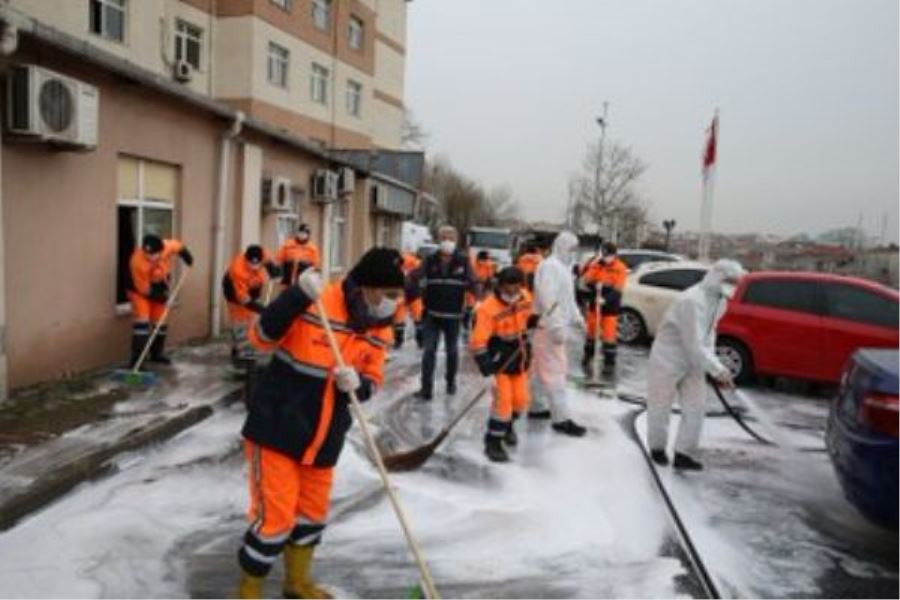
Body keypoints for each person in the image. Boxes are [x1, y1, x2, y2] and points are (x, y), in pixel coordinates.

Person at [236, 248, 405, 599]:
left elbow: (374, 376)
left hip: (325, 438)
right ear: (367, 287)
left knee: (311, 515)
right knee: (275, 521)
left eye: (398, 295)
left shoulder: (380, 326)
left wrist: (359, 383)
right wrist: (295, 296)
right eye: (389, 294)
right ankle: (248, 591)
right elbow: (260, 337)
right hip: (277, 429)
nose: (394, 302)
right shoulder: (317, 301)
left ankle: (297, 583)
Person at [645, 259, 745, 471]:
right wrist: (717, 370)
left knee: (696, 407)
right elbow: (693, 342)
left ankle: (683, 454)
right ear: (717, 276)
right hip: (668, 357)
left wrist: (714, 366)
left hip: (696, 360)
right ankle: (657, 448)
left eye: (736, 282)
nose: (732, 286)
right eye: (729, 280)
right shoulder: (692, 301)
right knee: (660, 405)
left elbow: (709, 335)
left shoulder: (720, 301)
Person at [471, 267, 536, 462]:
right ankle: (492, 442)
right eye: (509, 290)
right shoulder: (487, 309)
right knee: (503, 403)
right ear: (500, 286)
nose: (513, 294)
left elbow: (527, 316)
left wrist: (534, 322)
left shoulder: (525, 297)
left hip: (520, 358)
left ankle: (507, 426)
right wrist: (486, 370)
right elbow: (478, 342)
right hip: (498, 362)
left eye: (516, 289)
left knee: (521, 401)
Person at [529, 231, 589, 436]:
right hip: (549, 328)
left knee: (539, 369)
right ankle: (561, 418)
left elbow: (568, 299)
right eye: (571, 248)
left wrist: (578, 319)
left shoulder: (563, 269)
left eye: (575, 249)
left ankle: (536, 407)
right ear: (561, 246)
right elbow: (549, 299)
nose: (573, 253)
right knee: (556, 371)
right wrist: (555, 325)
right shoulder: (550, 267)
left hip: (551, 327)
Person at [407, 225, 476, 400]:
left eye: (451, 238)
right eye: (444, 237)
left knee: (452, 351)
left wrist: (471, 305)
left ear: (456, 241)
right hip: (432, 314)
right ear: (439, 240)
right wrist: (413, 291)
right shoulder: (430, 260)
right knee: (429, 351)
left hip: (453, 315)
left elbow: (474, 283)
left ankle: (451, 381)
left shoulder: (463, 261)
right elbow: (414, 276)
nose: (447, 241)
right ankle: (426, 389)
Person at [127, 234, 193, 367]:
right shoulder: (137, 262)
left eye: (154, 254)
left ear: (161, 250)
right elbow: (144, 290)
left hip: (160, 285)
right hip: (139, 292)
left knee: (160, 322)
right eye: (147, 254)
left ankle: (156, 354)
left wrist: (187, 256)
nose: (151, 257)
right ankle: (137, 361)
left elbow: (178, 246)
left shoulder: (166, 246)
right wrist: (164, 299)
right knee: (142, 324)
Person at [221, 245, 280, 366]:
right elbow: (244, 300)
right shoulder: (237, 271)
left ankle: (244, 347)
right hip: (235, 294)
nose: (254, 266)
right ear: (246, 259)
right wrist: (262, 309)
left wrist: (273, 270)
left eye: (257, 263)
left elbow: (269, 261)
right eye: (251, 263)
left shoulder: (262, 254)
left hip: (253, 286)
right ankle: (242, 355)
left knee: (252, 320)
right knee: (241, 321)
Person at [579, 241, 628, 376]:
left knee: (609, 336)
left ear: (614, 255)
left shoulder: (620, 267)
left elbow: (618, 289)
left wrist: (606, 299)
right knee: (591, 333)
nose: (606, 257)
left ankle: (609, 363)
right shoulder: (597, 265)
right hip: (595, 304)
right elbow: (586, 280)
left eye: (609, 255)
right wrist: (595, 275)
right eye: (605, 254)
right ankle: (588, 356)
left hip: (610, 306)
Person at [392, 248, 422, 349]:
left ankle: (398, 341)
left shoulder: (396, 263)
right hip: (414, 293)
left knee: (399, 319)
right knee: (418, 318)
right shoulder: (417, 262)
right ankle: (421, 341)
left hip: (402, 293)